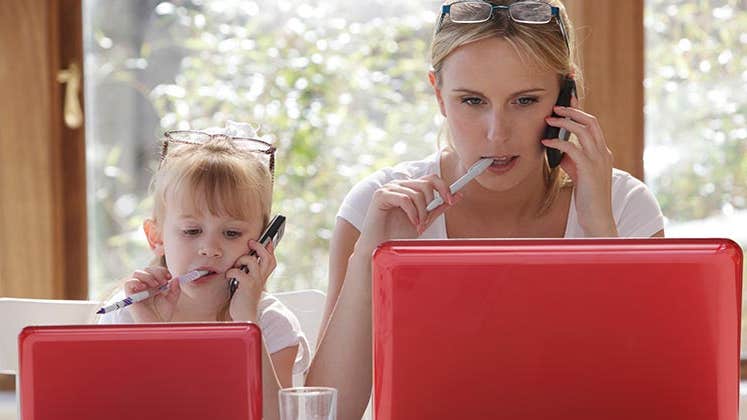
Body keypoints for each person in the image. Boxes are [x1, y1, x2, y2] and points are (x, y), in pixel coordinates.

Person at [307, 0, 664, 418]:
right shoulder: (378, 206)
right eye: (472, 101)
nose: (497, 133)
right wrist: (372, 257)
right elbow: (326, 413)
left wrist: (600, 228)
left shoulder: (624, 207)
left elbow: (653, 397)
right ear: (439, 95)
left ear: (566, 98)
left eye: (525, 101)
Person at [99, 121, 310, 420]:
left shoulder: (271, 326)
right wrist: (153, 332)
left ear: (264, 244)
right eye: (192, 230)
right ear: (156, 238)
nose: (210, 248)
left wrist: (248, 324)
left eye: (232, 233)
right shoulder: (126, 313)